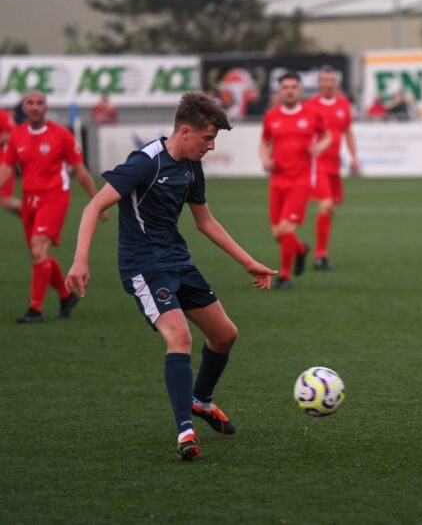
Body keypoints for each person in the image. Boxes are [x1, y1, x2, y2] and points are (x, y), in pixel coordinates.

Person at [65, 92, 276, 461]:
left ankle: (201, 401)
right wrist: (80, 261)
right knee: (179, 337)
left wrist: (248, 262)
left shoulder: (192, 166)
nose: (211, 146)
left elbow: (205, 222)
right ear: (185, 131)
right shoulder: (144, 162)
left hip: (178, 261)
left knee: (225, 335)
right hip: (144, 266)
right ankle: (185, 431)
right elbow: (94, 206)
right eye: (208, 138)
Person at [0, 91, 104, 323]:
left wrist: (98, 203)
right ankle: (66, 296)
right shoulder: (17, 136)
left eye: (39, 103)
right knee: (39, 255)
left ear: (46, 107)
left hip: (54, 197)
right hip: (29, 200)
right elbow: (7, 169)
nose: (35, 107)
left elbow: (81, 171)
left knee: (38, 249)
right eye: (30, 103)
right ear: (23, 108)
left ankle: (34, 310)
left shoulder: (61, 135)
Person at [259, 72, 331, 289]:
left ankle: (285, 277)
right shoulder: (271, 116)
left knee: (285, 229)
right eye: (285, 87)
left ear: (299, 90)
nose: (289, 90)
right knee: (277, 234)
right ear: (280, 91)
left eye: (293, 86)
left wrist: (319, 147)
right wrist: (265, 159)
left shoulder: (312, 114)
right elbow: (264, 143)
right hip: (277, 180)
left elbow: (327, 136)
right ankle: (301, 249)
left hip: (300, 180)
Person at [305, 66, 359, 271]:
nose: (328, 84)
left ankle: (322, 251)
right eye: (324, 80)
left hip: (334, 165)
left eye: (331, 80)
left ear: (336, 83)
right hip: (316, 164)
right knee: (326, 204)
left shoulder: (343, 105)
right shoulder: (310, 106)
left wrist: (354, 156)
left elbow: (347, 132)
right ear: (319, 83)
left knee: (330, 208)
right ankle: (319, 255)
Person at [0, 107, 19, 215]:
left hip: (3, 163)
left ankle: (32, 214)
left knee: (6, 199)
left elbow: (14, 132)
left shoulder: (2, 115)